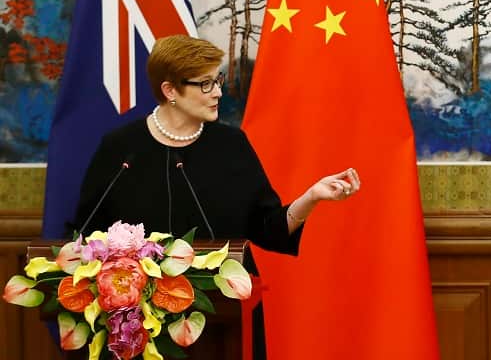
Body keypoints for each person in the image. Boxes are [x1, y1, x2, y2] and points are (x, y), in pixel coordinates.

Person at [71, 35, 361, 357]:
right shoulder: (120, 149)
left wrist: (311, 196)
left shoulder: (231, 146)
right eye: (206, 84)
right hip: (135, 328)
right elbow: (85, 236)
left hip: (222, 326)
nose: (219, 92)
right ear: (170, 91)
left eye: (218, 80)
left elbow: (268, 228)